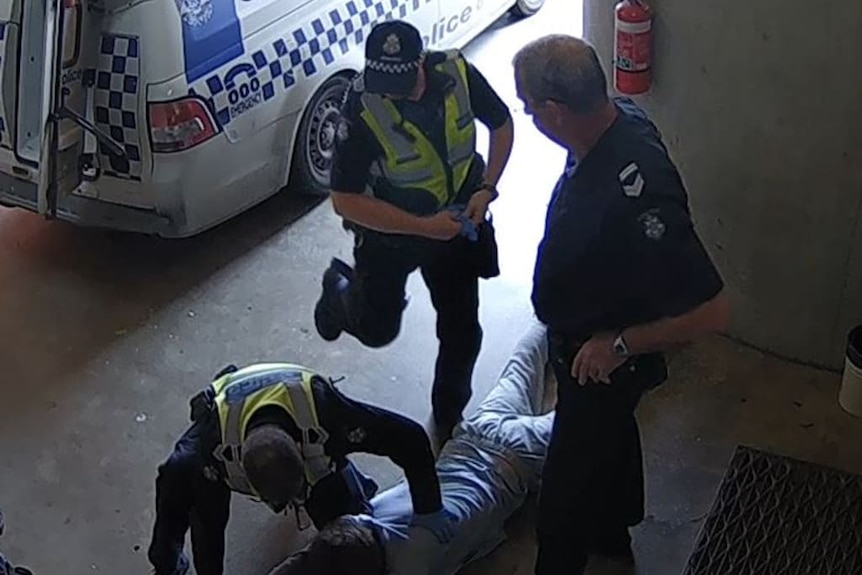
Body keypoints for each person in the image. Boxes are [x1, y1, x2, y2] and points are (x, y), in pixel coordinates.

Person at [511, 35, 731, 574]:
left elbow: (713, 310)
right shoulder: (615, 119)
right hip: (585, 350)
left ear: (555, 111)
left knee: (561, 498)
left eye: (528, 106)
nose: (528, 116)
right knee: (608, 438)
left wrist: (619, 345)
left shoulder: (640, 197)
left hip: (603, 359)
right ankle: (612, 538)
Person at [313, 19, 515, 440]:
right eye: (385, 81)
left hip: (458, 220)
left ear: (421, 62)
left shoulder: (457, 72)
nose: (394, 90)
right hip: (392, 233)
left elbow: (501, 123)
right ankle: (337, 292)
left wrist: (486, 189)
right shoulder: (362, 105)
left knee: (462, 330)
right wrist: (423, 227)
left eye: (403, 79)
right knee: (376, 331)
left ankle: (447, 419)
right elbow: (344, 200)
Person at [266, 318, 555, 575]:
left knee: (583, 424)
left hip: (516, 462)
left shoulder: (412, 565)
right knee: (522, 366)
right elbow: (315, 556)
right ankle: (552, 315)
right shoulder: (366, 518)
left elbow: (315, 561)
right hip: (471, 438)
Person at [146, 363, 455, 575]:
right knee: (175, 477)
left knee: (349, 534)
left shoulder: (329, 416)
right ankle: (165, 559)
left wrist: (430, 509)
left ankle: (355, 488)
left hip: (295, 397)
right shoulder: (211, 452)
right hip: (229, 400)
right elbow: (208, 528)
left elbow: (409, 437)